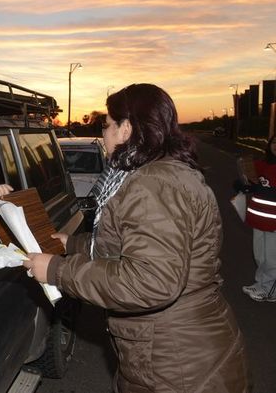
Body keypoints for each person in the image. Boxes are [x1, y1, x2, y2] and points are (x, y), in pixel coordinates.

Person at [24, 84, 249, 392]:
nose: (103, 135)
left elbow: (150, 280)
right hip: (173, 353)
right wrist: (71, 244)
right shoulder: (159, 174)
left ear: (126, 129)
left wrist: (56, 271)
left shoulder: (153, 184)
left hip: (178, 365)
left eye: (106, 126)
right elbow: (130, 243)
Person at [236, 135, 276, 302]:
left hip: (274, 222)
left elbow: (266, 188)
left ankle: (270, 290)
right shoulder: (262, 164)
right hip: (258, 219)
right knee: (260, 255)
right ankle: (261, 283)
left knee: (272, 258)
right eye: (274, 142)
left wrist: (261, 188)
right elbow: (250, 182)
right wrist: (243, 185)